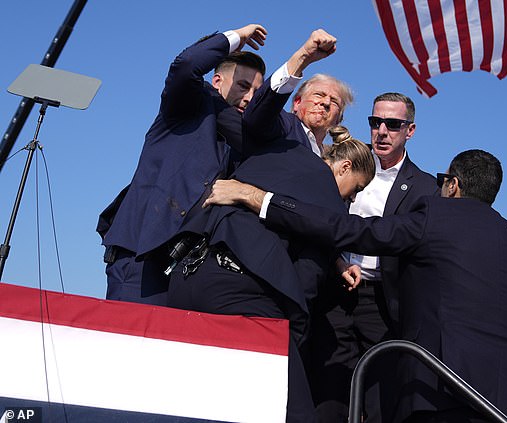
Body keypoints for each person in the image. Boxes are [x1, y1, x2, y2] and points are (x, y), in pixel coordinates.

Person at [206, 149, 507, 422]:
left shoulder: (433, 218)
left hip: (449, 397)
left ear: (452, 185)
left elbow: (349, 229)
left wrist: (259, 198)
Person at [168, 126, 374, 423]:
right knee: (295, 411)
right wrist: (291, 339)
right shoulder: (330, 203)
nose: (352, 198)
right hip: (241, 297)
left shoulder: (281, 151)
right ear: (345, 167)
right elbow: (307, 281)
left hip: (186, 279)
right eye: (357, 188)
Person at [96, 24, 267, 305]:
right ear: (217, 82)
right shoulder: (187, 106)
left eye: (256, 92)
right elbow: (186, 65)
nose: (249, 98)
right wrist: (236, 37)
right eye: (243, 86)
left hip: (190, 271)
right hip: (142, 259)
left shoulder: (242, 141)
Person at [307, 92, 438, 423]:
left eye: (392, 124)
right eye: (375, 122)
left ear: (410, 130)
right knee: (328, 393)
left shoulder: (425, 188)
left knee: (380, 398)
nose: (381, 130)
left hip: (383, 303)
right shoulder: (339, 163)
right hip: (334, 292)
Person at [241, 29, 353, 157]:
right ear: (297, 103)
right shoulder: (282, 125)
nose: (326, 102)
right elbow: (257, 116)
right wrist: (303, 56)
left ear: (339, 119)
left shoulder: (333, 160)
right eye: (319, 95)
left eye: (334, 101)